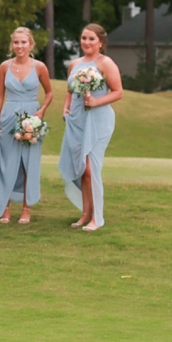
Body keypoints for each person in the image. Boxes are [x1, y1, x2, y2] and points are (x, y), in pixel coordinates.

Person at [59, 23, 123, 231]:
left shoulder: (106, 63)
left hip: (98, 119)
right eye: (84, 38)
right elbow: (69, 90)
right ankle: (85, 214)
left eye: (91, 39)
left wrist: (95, 101)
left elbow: (118, 92)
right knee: (81, 169)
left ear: (101, 43)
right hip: (77, 119)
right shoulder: (75, 64)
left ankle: (97, 217)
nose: (86, 42)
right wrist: (66, 108)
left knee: (90, 168)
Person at [0, 27, 53, 224]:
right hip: (8, 117)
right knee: (7, 163)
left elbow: (49, 92)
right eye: (16, 42)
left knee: (28, 164)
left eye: (23, 42)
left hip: (31, 119)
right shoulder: (4, 67)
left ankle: (26, 208)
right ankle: (5, 207)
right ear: (12, 45)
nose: (20, 46)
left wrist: (41, 110)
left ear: (31, 44)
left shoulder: (40, 66)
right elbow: (0, 94)